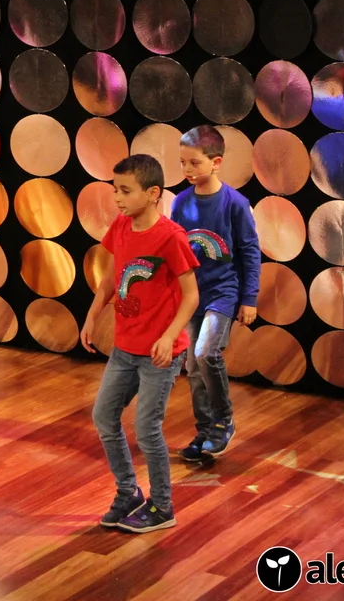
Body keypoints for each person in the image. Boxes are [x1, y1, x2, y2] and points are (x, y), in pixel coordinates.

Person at [80, 154, 199, 533]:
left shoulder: (171, 237)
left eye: (125, 191)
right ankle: (128, 492)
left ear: (152, 193)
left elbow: (191, 295)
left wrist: (169, 336)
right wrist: (92, 315)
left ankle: (162, 506)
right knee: (104, 416)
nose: (117, 198)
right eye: (115, 190)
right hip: (125, 348)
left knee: (147, 428)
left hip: (159, 354)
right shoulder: (120, 225)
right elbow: (110, 279)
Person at [173, 125, 260, 461]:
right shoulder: (181, 202)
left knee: (206, 352)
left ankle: (223, 420)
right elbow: (176, 251)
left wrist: (249, 298)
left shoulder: (235, 203)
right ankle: (205, 429)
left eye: (194, 162)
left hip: (223, 292)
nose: (188, 169)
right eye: (183, 163)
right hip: (192, 295)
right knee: (193, 366)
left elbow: (249, 252)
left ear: (216, 162)